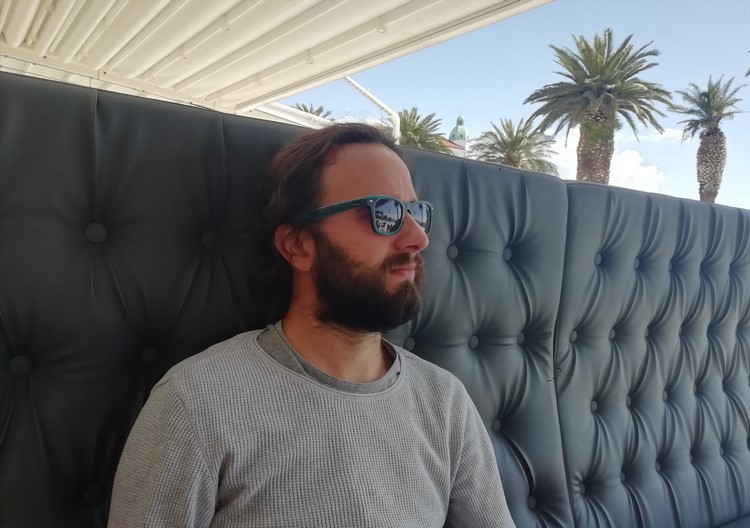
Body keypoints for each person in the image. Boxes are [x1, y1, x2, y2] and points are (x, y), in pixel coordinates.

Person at [108, 123, 515, 527]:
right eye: (384, 213)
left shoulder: (444, 401)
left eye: (416, 213)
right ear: (298, 246)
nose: (418, 239)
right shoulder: (197, 402)